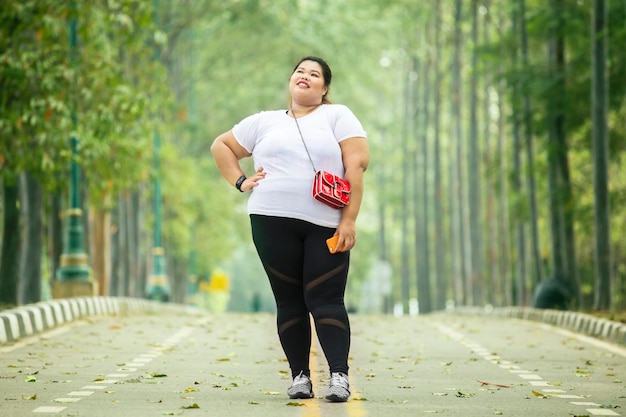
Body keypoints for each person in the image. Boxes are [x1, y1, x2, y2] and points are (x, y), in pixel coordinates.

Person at [210, 56, 369, 402]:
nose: (305, 77)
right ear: (291, 81)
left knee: (326, 299)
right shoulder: (263, 122)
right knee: (289, 300)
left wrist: (349, 219)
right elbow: (221, 146)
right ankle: (300, 376)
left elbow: (356, 165)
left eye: (314, 75)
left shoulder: (337, 116)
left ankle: (339, 377)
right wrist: (240, 180)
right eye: (300, 71)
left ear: (324, 88)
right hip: (269, 220)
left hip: (327, 224)